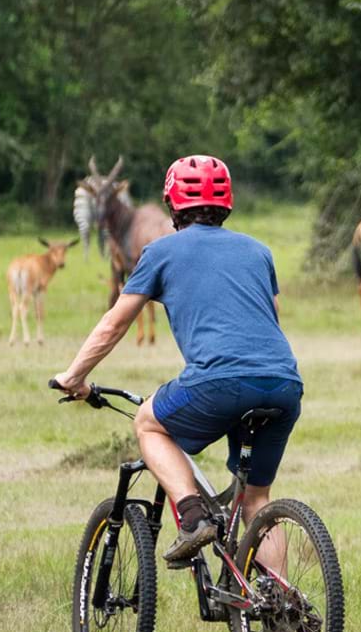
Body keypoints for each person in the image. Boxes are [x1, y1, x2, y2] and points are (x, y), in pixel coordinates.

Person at [52, 155, 302, 569]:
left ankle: (192, 517)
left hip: (218, 382)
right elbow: (271, 315)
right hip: (284, 383)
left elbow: (115, 323)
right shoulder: (258, 251)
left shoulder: (160, 251)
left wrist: (74, 376)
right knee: (257, 500)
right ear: (227, 205)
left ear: (172, 205)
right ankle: (278, 601)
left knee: (148, 423)